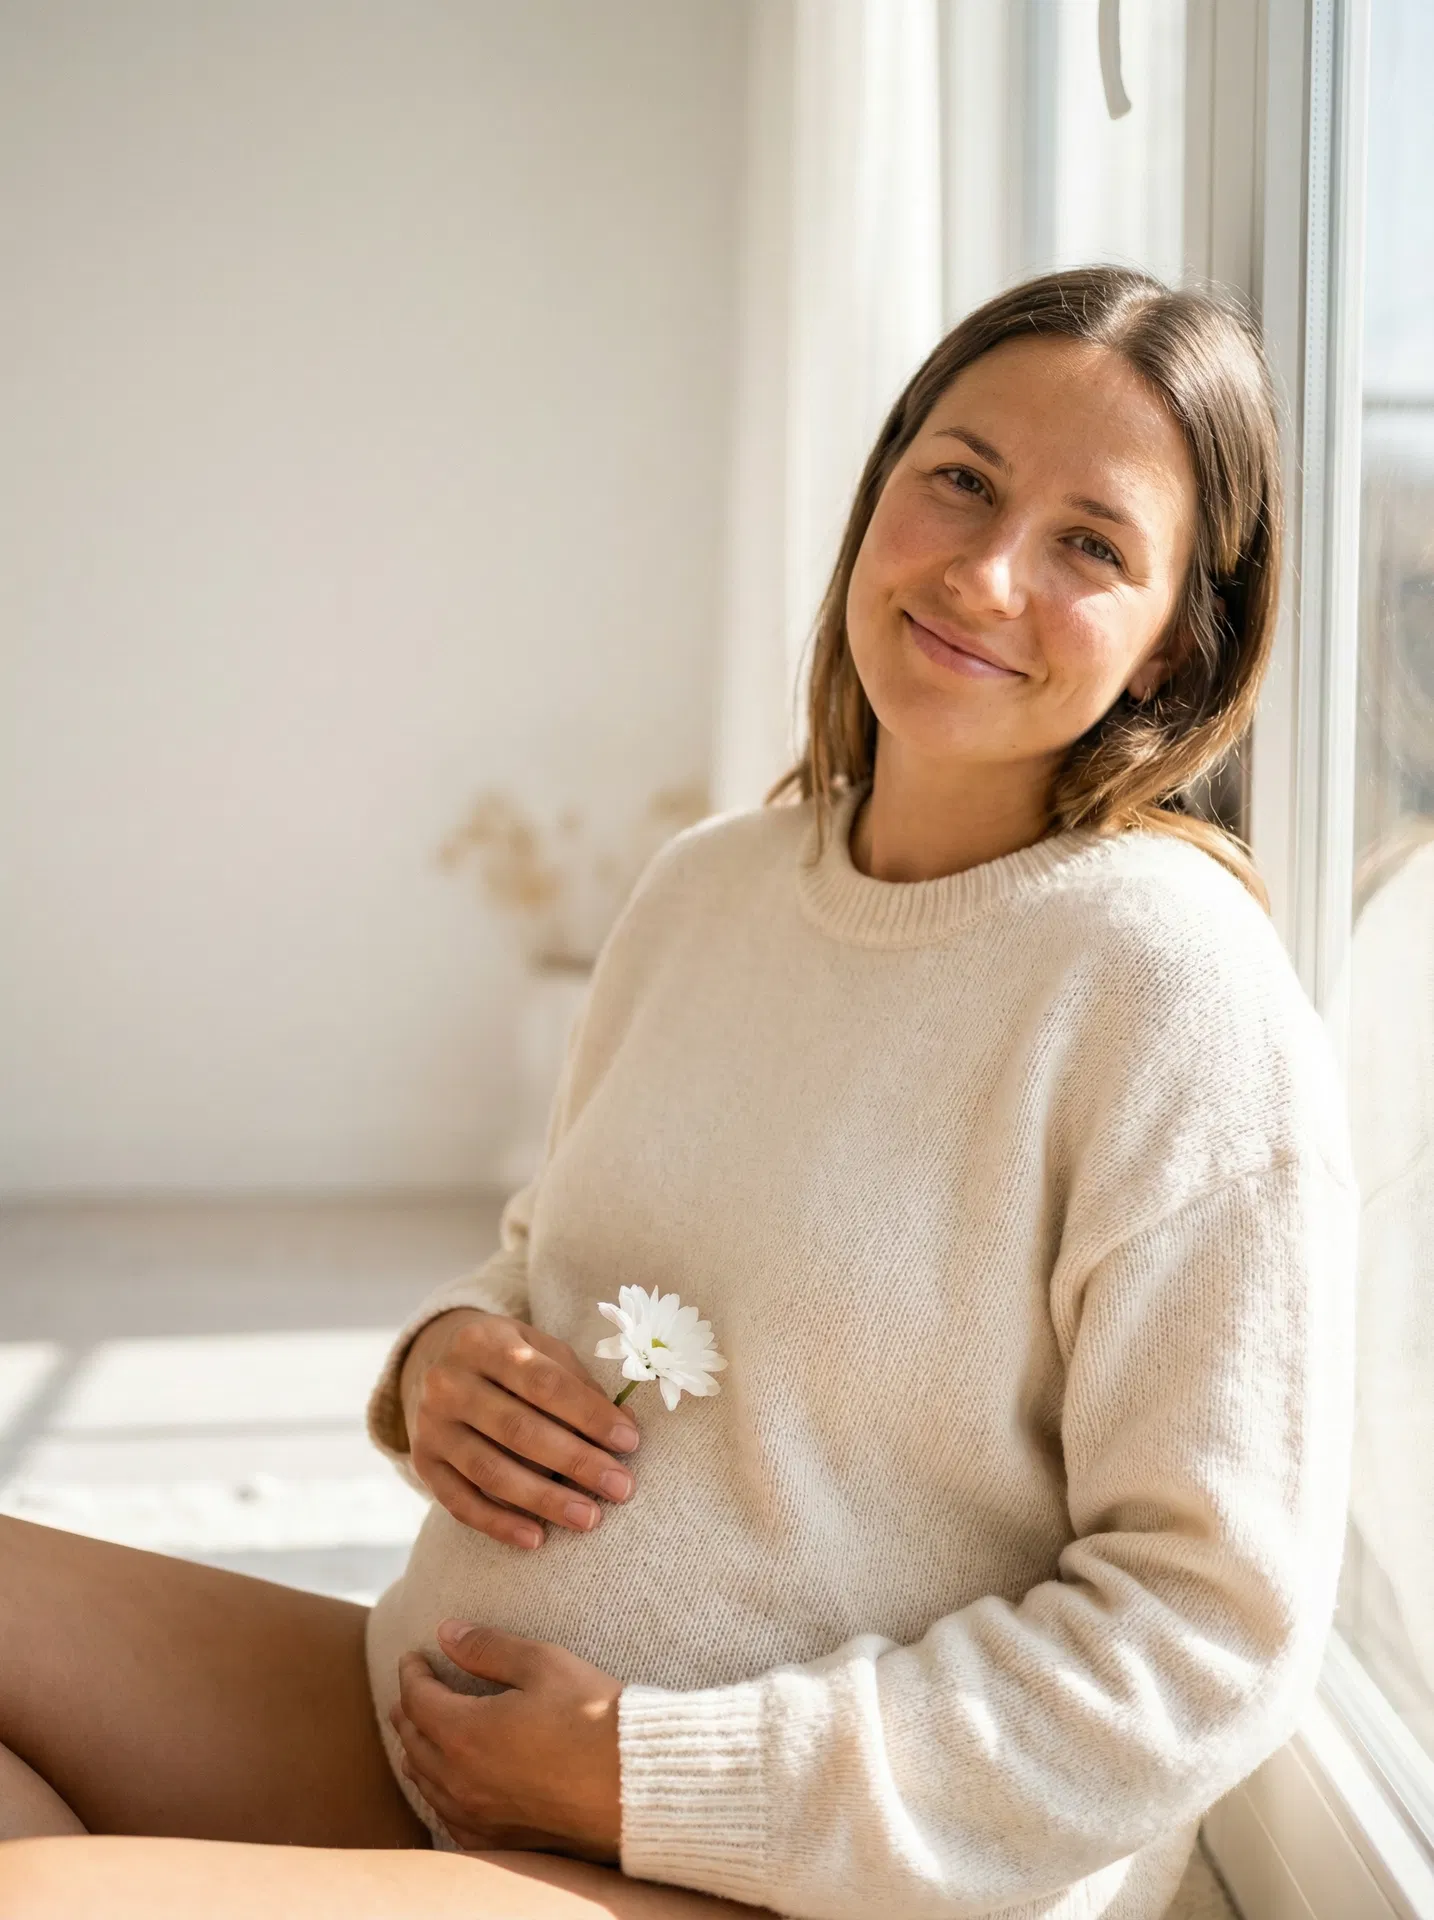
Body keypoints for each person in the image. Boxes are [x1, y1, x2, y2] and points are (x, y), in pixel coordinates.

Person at [0, 265, 1357, 1920]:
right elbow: (554, 1255)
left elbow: (1204, 1633)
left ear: (1173, 649)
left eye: (1092, 544)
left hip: (778, 1882)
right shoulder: (714, 887)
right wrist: (447, 1361)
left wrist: (654, 1776)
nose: (988, 572)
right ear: (878, 496)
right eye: (960, 479)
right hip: (433, 1735)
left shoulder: (1169, 987)